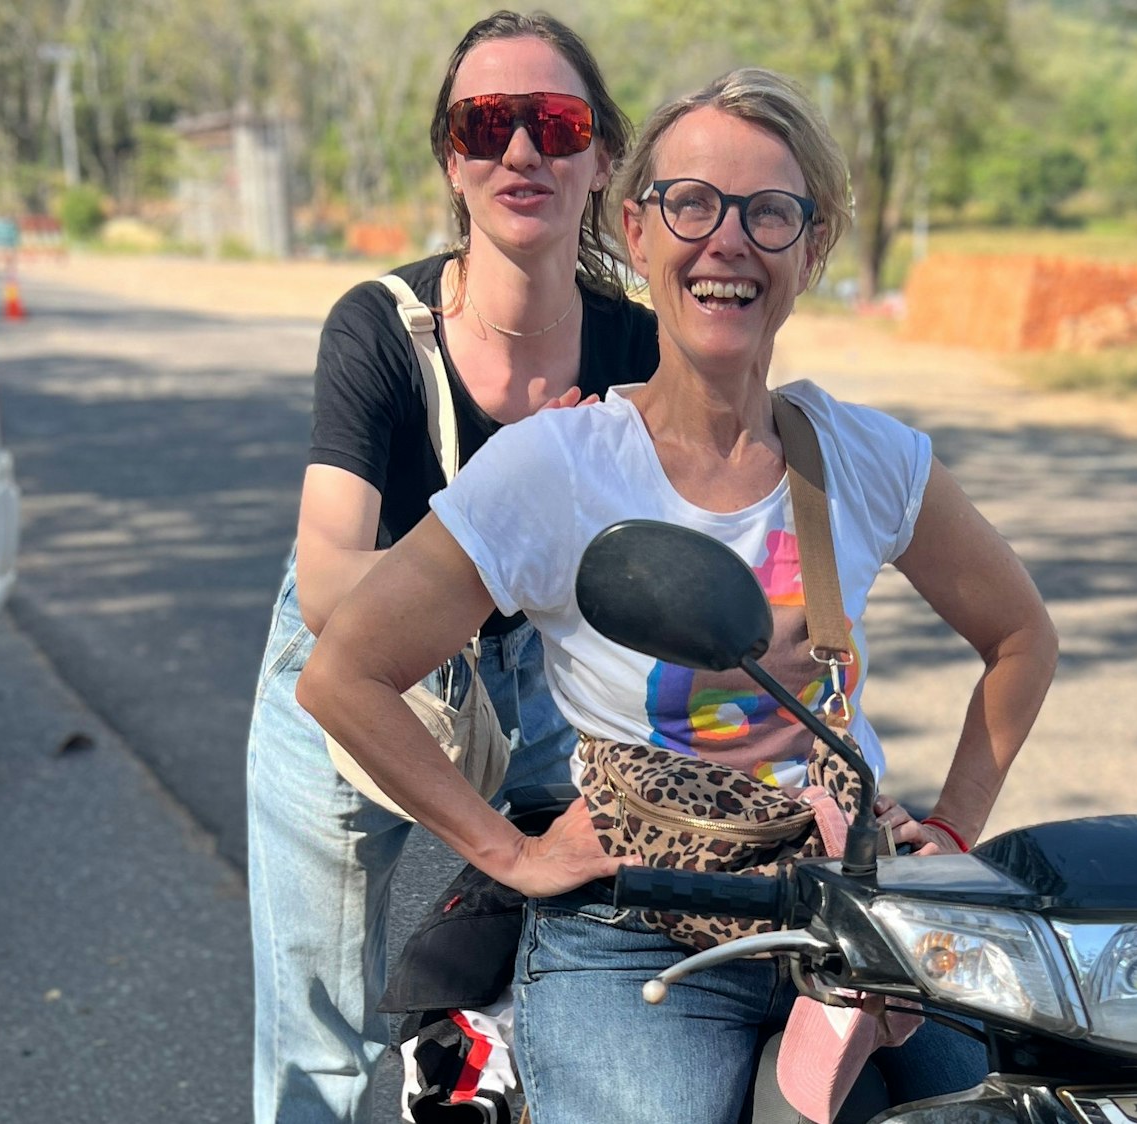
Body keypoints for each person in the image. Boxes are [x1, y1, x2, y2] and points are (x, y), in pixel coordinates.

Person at [298, 68, 1058, 1124]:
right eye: (691, 202)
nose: (727, 241)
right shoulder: (555, 467)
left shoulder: (867, 457)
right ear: (636, 226)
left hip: (848, 909)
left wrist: (957, 827)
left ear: (813, 244)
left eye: (770, 212)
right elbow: (343, 674)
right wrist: (509, 852)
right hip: (631, 931)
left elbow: (1020, 634)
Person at [243, 12, 657, 1122]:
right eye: (486, 124)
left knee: (587, 958)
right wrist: (520, 487)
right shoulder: (378, 328)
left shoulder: (640, 351)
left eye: (557, 123)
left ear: (603, 157)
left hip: (552, 670)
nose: (521, 151)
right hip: (359, 669)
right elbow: (333, 586)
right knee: (317, 1035)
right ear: (451, 161)